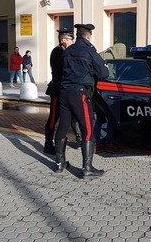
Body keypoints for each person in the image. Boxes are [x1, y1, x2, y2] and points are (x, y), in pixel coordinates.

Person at [54, 23, 109, 177]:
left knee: (62, 127)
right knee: (88, 130)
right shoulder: (89, 51)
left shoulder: (66, 52)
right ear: (88, 35)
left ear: (77, 35)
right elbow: (103, 73)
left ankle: (59, 164)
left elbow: (59, 73)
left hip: (64, 94)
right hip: (80, 94)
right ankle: (87, 169)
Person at [44, 27, 82, 155]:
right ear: (64, 39)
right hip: (57, 89)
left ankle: (78, 139)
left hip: (66, 90)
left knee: (71, 116)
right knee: (54, 118)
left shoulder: (67, 51)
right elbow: (62, 69)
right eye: (71, 39)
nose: (73, 41)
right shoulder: (57, 51)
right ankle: (48, 144)